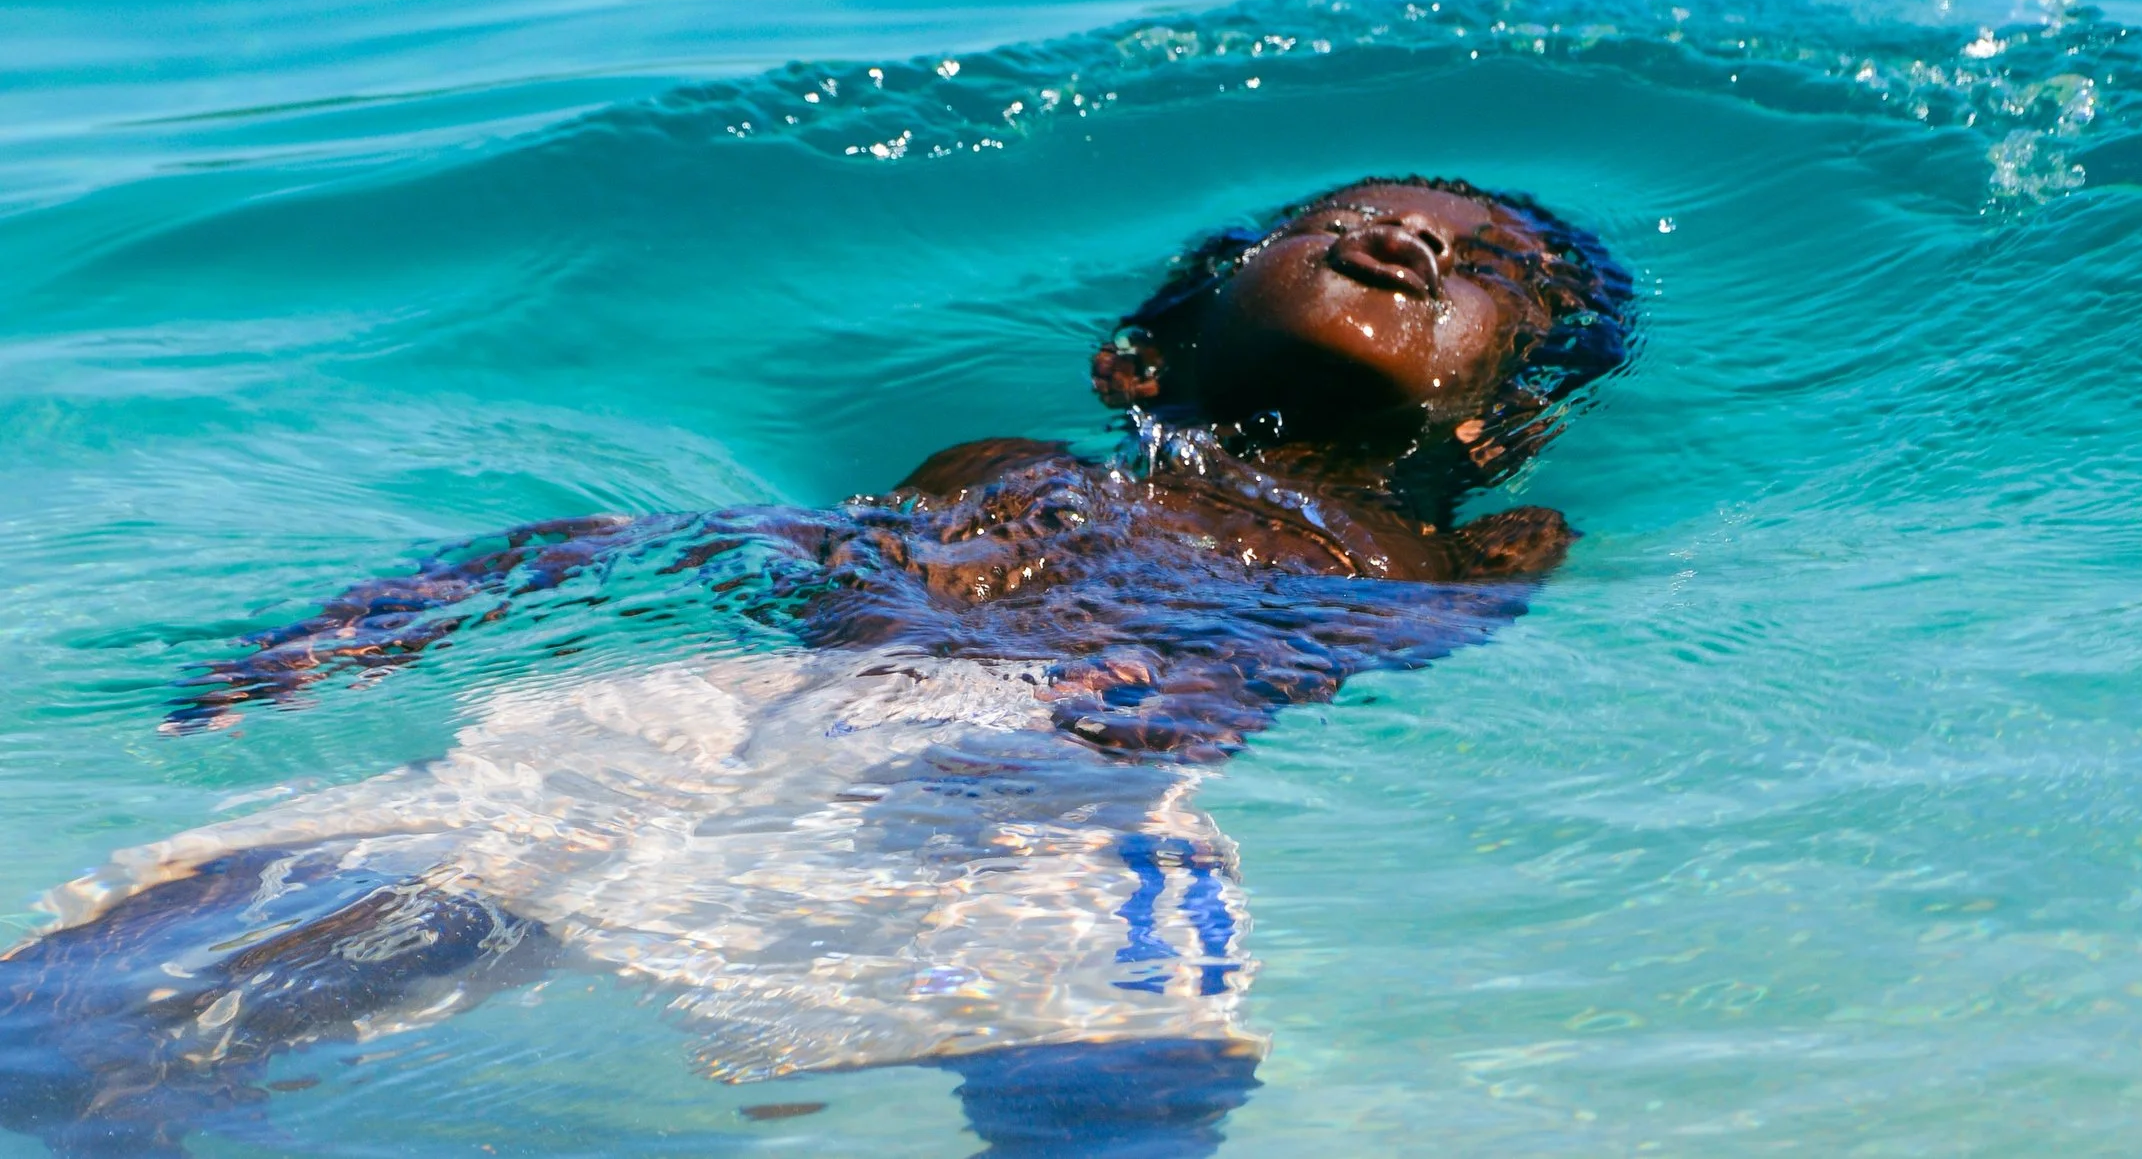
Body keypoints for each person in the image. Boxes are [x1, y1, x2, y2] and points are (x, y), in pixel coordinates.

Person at [0, 179, 1633, 1157]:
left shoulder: (1438, 554)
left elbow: (1411, 629)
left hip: (1062, 791)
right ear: (1141, 352)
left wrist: (1224, 667)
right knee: (75, 1010)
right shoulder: (996, 456)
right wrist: (501, 571)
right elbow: (785, 549)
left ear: (1496, 427)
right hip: (733, 720)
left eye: (1487, 268)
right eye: (1344, 224)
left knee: (1129, 1092)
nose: (1415, 238)